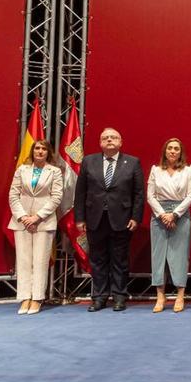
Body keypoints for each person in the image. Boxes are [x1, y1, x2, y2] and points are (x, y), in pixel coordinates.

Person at [75, 128, 144, 312]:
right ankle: (99, 297)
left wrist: (136, 217)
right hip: (94, 219)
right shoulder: (89, 161)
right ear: (100, 143)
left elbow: (138, 194)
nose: (109, 140)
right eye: (105, 138)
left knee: (119, 260)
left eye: (113, 137)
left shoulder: (132, 162)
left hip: (122, 219)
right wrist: (79, 218)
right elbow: (80, 191)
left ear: (120, 142)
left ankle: (119, 296)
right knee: (97, 260)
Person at [8, 140, 63, 315]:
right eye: (37, 148)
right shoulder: (22, 170)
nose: (40, 151)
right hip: (21, 221)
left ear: (48, 152)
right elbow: (13, 195)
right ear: (32, 151)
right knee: (24, 260)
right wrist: (23, 217)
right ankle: (25, 297)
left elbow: (56, 197)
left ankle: (37, 298)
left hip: (44, 222)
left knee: (40, 260)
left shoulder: (54, 171)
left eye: (44, 149)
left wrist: (37, 217)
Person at [146, 138, 191, 313]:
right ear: (165, 151)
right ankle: (160, 296)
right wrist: (162, 215)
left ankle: (180, 296)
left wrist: (174, 214)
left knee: (180, 256)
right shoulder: (155, 170)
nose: (173, 151)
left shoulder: (189, 170)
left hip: (180, 216)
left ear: (180, 152)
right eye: (170, 148)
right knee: (158, 256)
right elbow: (150, 196)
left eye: (176, 148)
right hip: (159, 215)